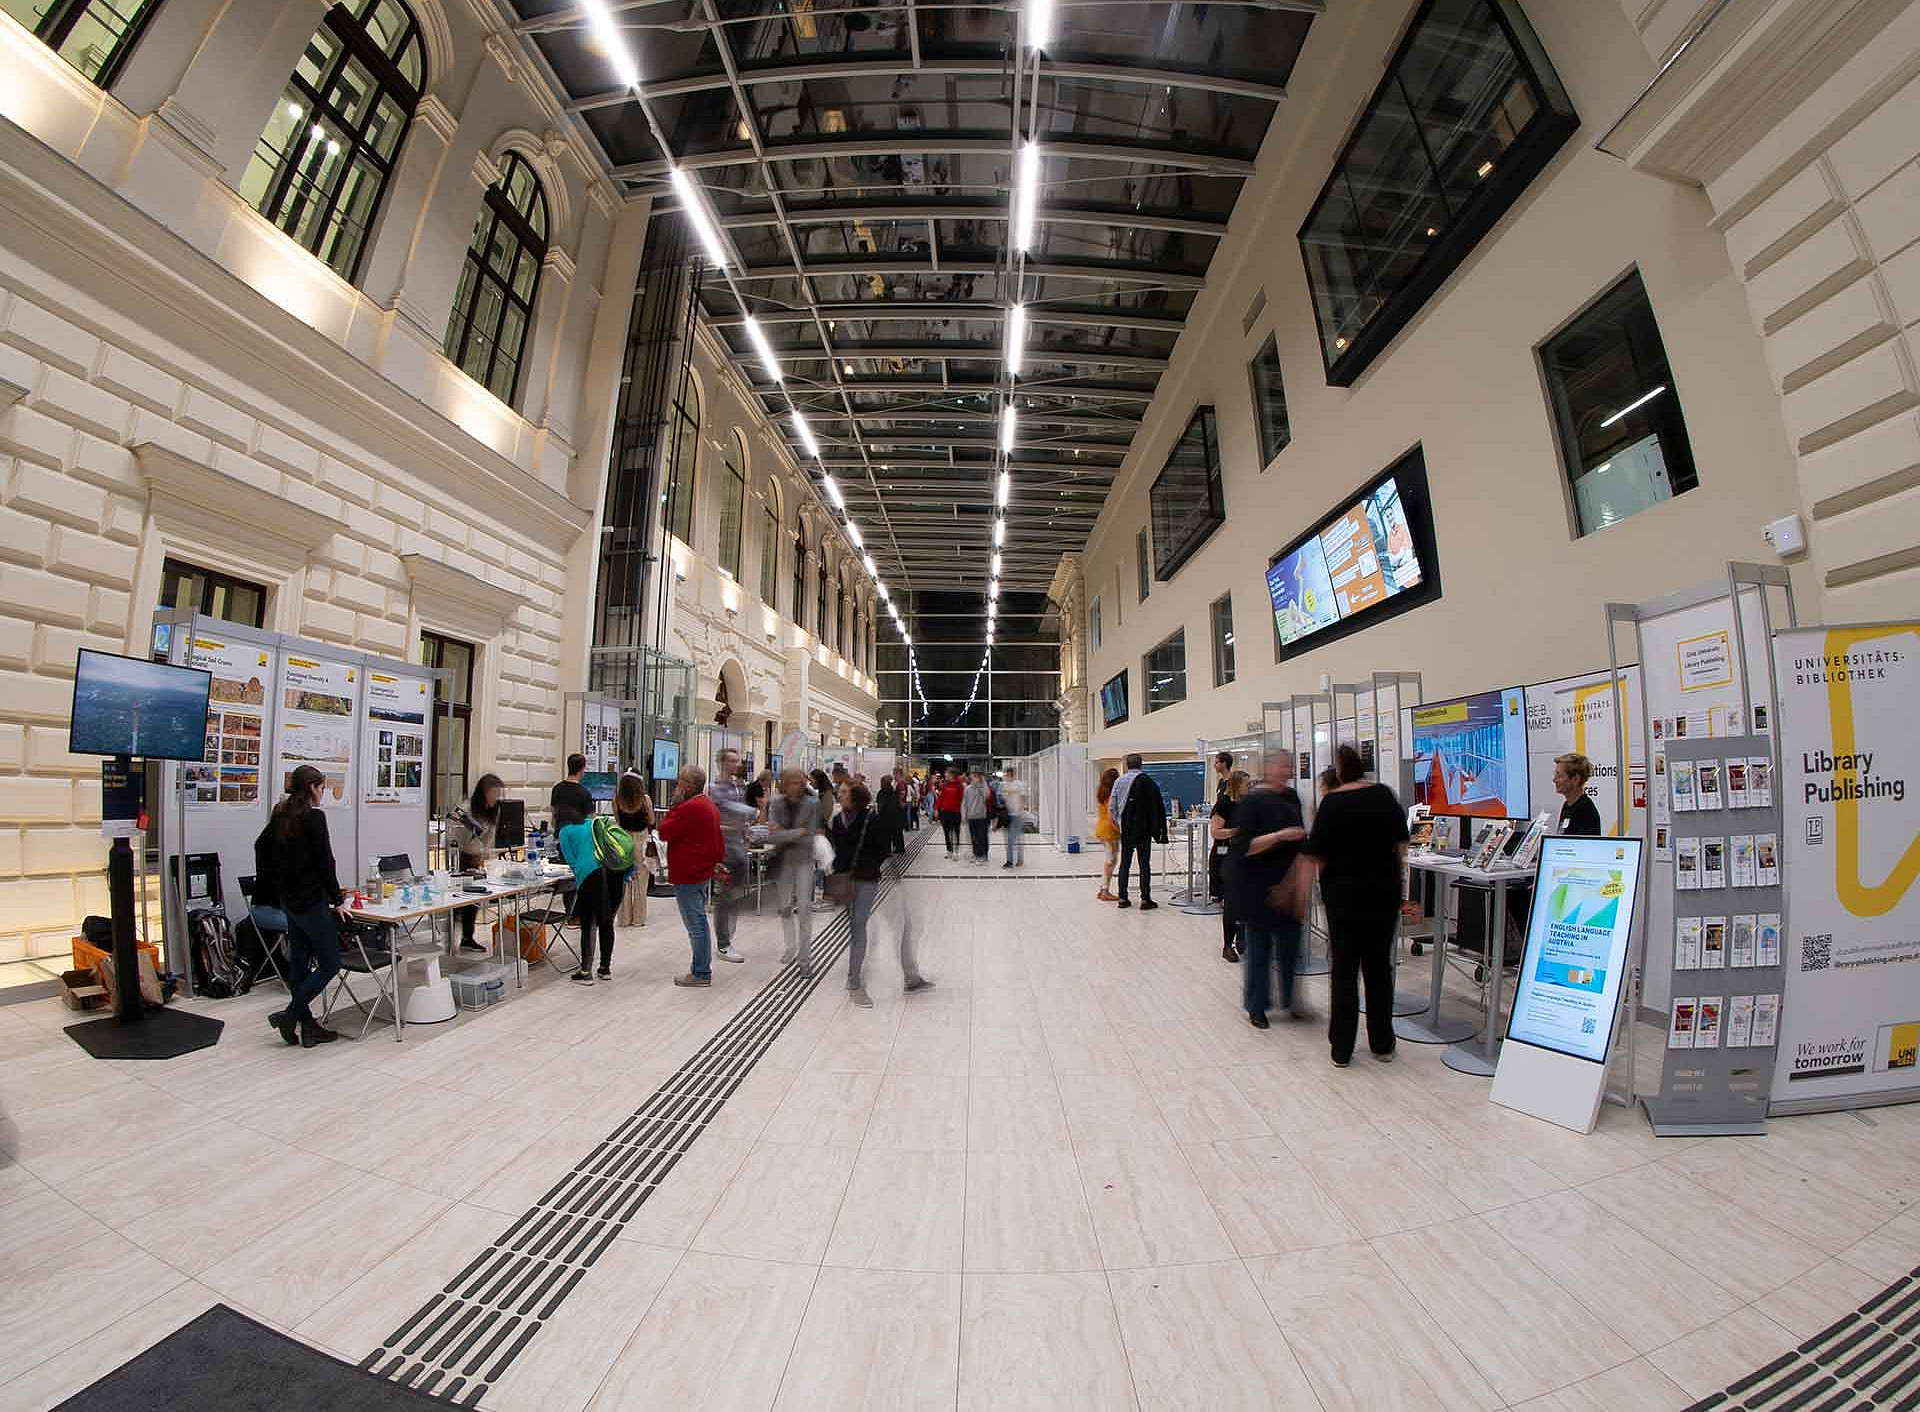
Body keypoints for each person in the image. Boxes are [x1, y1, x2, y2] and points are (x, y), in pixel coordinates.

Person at [1302, 744, 1409, 1067]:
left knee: (1344, 970)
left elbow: (1316, 853)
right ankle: (1382, 1042)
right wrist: (1400, 888)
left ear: (1340, 769)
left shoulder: (1332, 804)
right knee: (1379, 968)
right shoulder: (1384, 796)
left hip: (1343, 897)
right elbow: (1401, 846)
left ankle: (1342, 1048)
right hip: (1382, 894)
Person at [255, 765, 349, 1048]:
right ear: (311, 787)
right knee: (330, 962)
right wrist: (337, 899)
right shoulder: (314, 818)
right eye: (321, 788)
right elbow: (325, 862)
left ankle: (308, 1027)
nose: (323, 794)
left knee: (299, 961)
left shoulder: (281, 815)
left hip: (289, 902)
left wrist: (277, 884)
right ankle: (292, 1013)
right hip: (310, 901)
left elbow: (261, 847)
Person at [829, 782, 931, 1007]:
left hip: (868, 879)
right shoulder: (837, 820)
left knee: (870, 927)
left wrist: (865, 865)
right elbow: (840, 849)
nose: (840, 794)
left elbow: (881, 850)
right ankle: (857, 981)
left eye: (844, 792)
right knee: (859, 928)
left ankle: (858, 981)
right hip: (849, 880)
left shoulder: (871, 819)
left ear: (855, 798)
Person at [1236, 753, 1311, 1028]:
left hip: (1289, 886)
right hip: (1259, 888)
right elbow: (1245, 847)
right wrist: (1279, 836)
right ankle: (1257, 1006)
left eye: (1289, 767)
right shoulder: (1252, 801)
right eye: (1282, 767)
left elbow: (1303, 843)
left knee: (1291, 950)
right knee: (1259, 950)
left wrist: (1298, 888)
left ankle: (1291, 1000)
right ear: (1268, 769)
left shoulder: (1292, 798)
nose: (1287, 772)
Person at [658, 766, 724, 987]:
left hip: (689, 872)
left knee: (695, 924)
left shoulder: (689, 807)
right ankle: (701, 969)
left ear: (688, 785)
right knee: (699, 921)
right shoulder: (707, 804)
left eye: (679, 782)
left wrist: (675, 805)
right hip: (700, 871)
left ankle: (701, 972)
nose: (677, 786)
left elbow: (665, 831)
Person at [765, 768, 820, 974]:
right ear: (785, 784)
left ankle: (805, 960)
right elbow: (772, 837)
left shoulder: (812, 804)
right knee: (785, 907)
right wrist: (799, 831)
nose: (798, 786)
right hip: (783, 861)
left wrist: (785, 833)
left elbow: (810, 836)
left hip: (804, 860)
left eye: (801, 782)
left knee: (805, 909)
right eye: (794, 782)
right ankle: (790, 946)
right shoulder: (777, 803)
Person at [560, 801, 617, 986]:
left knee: (587, 924)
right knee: (606, 921)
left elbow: (570, 859)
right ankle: (605, 968)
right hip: (605, 872)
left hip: (586, 876)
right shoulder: (590, 824)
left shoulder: (565, 832)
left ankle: (586, 971)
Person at [448, 773, 504, 954]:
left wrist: (483, 854)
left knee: (474, 901)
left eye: (498, 794)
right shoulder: (467, 809)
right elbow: (457, 836)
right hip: (461, 857)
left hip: (476, 857)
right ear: (484, 792)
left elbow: (489, 837)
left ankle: (467, 937)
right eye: (493, 793)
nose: (496, 797)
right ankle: (451, 939)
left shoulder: (493, 810)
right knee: (459, 901)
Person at [708, 748, 751, 963]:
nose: (736, 764)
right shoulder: (714, 789)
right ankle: (723, 943)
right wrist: (733, 826)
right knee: (725, 898)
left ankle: (727, 939)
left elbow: (740, 817)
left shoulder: (737, 787)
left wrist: (744, 828)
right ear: (722, 763)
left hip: (739, 848)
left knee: (734, 896)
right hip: (724, 851)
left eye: (738, 760)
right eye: (732, 761)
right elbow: (713, 824)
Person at [1112, 753, 1166, 910]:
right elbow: (1157, 807)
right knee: (1144, 865)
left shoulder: (1119, 781)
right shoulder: (1149, 782)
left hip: (1127, 828)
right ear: (1141, 764)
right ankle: (1145, 899)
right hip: (1144, 830)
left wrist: (1120, 825)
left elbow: (1112, 808)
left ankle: (1122, 898)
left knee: (1125, 864)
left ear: (1127, 765)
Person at [1210, 769, 1250, 962]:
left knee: (1244, 901)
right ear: (1236, 785)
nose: (1249, 787)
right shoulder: (1224, 805)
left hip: (1244, 857)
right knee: (1232, 904)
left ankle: (1242, 936)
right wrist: (1236, 832)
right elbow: (1216, 832)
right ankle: (1228, 945)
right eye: (1246, 784)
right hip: (1225, 856)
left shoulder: (1249, 805)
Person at [613, 771, 655, 929]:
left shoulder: (616, 800)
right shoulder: (645, 800)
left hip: (622, 842)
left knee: (623, 881)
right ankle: (638, 918)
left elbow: (617, 820)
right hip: (640, 841)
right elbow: (651, 820)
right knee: (640, 882)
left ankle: (623, 918)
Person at [1554, 752, 1602, 836]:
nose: (1554, 780)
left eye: (1560, 776)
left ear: (1576, 779)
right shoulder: (1567, 805)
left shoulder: (1585, 810)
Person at [1094, 766, 1121, 902]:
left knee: (1111, 860)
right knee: (1111, 861)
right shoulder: (1111, 796)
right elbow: (1112, 816)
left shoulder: (1102, 793)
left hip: (1102, 829)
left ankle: (1103, 889)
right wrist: (1119, 829)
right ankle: (1105, 890)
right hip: (1109, 831)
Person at [550, 753, 593, 831]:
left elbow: (553, 818)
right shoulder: (585, 793)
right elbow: (590, 822)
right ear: (582, 769)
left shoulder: (556, 788)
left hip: (560, 836)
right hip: (577, 838)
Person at [1000, 765, 1028, 868]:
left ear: (1012, 774)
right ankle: (1016, 860)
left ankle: (1011, 861)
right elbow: (1003, 799)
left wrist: (1020, 810)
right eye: (1006, 774)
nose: (1006, 776)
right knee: (1009, 839)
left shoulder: (1019, 784)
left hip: (1017, 815)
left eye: (1008, 774)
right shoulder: (1004, 785)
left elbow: (1023, 797)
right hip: (1008, 816)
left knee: (1013, 839)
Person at [961, 769, 992, 864]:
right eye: (973, 776)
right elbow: (964, 803)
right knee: (973, 837)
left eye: (976, 776)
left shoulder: (982, 788)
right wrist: (963, 815)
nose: (974, 778)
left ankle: (982, 855)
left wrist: (983, 782)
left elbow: (987, 796)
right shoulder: (967, 789)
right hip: (971, 817)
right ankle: (975, 854)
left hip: (981, 817)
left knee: (981, 837)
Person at [935, 766, 965, 858]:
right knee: (947, 833)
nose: (945, 774)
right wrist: (936, 809)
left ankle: (956, 851)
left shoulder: (960, 786)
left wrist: (964, 812)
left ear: (952, 774)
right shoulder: (944, 785)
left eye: (947, 773)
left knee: (956, 832)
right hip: (945, 812)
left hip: (956, 813)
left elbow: (962, 800)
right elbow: (940, 799)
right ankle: (949, 851)